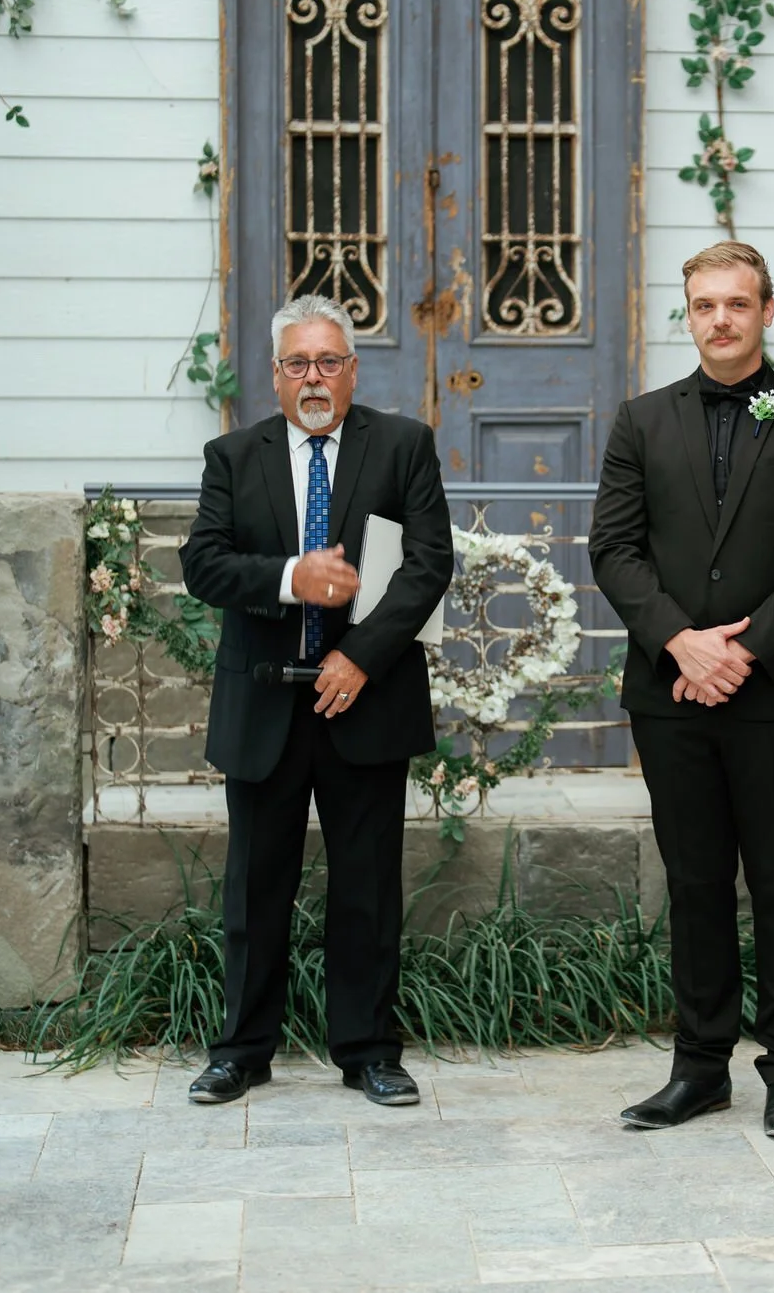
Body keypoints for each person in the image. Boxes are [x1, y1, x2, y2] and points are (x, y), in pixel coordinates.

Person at [590, 241, 774, 1138]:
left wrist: (742, 652)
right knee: (697, 879)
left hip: (773, 693)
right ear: (688, 312)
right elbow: (614, 549)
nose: (720, 318)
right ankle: (699, 1067)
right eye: (704, 304)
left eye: (737, 304)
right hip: (669, 695)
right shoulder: (640, 419)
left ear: (766, 311)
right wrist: (678, 641)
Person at [179, 295, 452, 1108]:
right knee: (255, 888)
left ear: (352, 369)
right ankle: (242, 1049)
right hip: (263, 706)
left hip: (364, 703)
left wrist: (360, 658)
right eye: (297, 363)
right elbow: (204, 565)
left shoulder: (403, 446)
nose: (313, 378)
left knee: (367, 891)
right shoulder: (233, 455)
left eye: (328, 361)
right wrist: (292, 576)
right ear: (275, 374)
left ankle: (368, 1050)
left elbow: (428, 565)